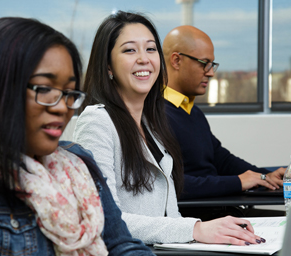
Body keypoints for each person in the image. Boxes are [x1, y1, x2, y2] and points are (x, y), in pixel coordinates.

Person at [73, 11, 266, 246]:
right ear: (108, 67)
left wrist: (201, 237)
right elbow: (105, 219)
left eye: (151, 49)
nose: (144, 59)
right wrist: (195, 228)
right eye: (130, 50)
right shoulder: (96, 121)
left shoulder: (152, 125)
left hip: (167, 248)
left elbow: (170, 214)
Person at [0, 17, 155, 256]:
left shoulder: (79, 163)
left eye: (69, 92)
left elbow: (120, 245)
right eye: (45, 89)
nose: (62, 108)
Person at [162, 26, 286, 205]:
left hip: (218, 206)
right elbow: (169, 184)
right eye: (204, 63)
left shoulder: (192, 111)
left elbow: (222, 159)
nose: (211, 73)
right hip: (197, 217)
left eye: (212, 65)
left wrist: (264, 176)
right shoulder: (154, 116)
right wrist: (238, 182)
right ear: (176, 61)